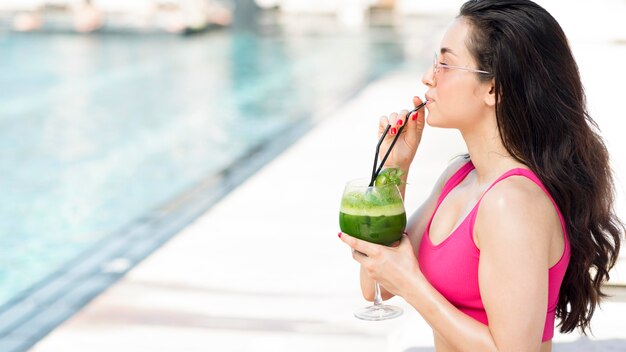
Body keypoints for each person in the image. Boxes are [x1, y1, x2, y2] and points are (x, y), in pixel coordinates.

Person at [338, 0, 624, 351]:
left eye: (445, 63)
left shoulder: (512, 203)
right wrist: (395, 170)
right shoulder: (458, 177)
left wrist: (412, 283)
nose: (428, 77)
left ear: (494, 88)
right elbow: (377, 286)